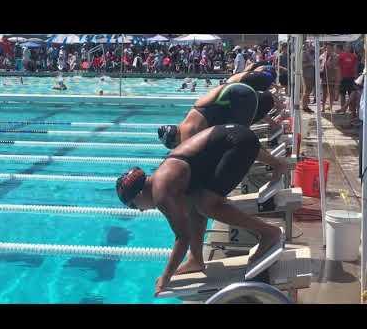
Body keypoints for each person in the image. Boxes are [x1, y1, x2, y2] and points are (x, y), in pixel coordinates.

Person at [116, 124, 284, 296]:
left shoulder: (162, 192)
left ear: (139, 194)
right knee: (197, 205)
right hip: (239, 135)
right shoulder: (164, 176)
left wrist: (165, 277)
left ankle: (269, 232)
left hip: (238, 143)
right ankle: (196, 258)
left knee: (207, 205)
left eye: (133, 205)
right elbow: (193, 213)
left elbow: (183, 237)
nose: (139, 211)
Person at [158, 82, 280, 150]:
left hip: (240, 98)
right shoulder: (189, 118)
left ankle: (276, 164)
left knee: (242, 139)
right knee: (239, 136)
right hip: (238, 89)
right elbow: (220, 89)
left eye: (175, 146)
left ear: (174, 141)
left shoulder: (186, 137)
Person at [337, 43, 358, 113]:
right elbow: (339, 67)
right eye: (347, 47)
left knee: (351, 95)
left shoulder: (354, 56)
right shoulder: (341, 56)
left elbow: (355, 67)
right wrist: (339, 77)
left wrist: (355, 77)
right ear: (344, 48)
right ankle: (343, 110)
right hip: (343, 77)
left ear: (350, 48)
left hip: (351, 78)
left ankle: (351, 110)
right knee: (342, 94)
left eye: (349, 47)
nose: (348, 48)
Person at [319, 43, 340, 112]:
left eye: (329, 48)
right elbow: (320, 64)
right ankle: (323, 107)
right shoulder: (322, 55)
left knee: (331, 93)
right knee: (324, 93)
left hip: (332, 77)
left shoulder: (335, 56)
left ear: (332, 48)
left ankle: (330, 107)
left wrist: (329, 61)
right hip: (324, 77)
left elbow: (335, 66)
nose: (328, 49)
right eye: (327, 48)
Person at [302, 43, 315, 113]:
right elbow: (302, 65)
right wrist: (311, 64)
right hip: (306, 75)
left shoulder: (312, 54)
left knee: (309, 90)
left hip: (311, 75)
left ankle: (306, 105)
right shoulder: (304, 54)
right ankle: (304, 106)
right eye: (311, 46)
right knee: (306, 90)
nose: (313, 47)